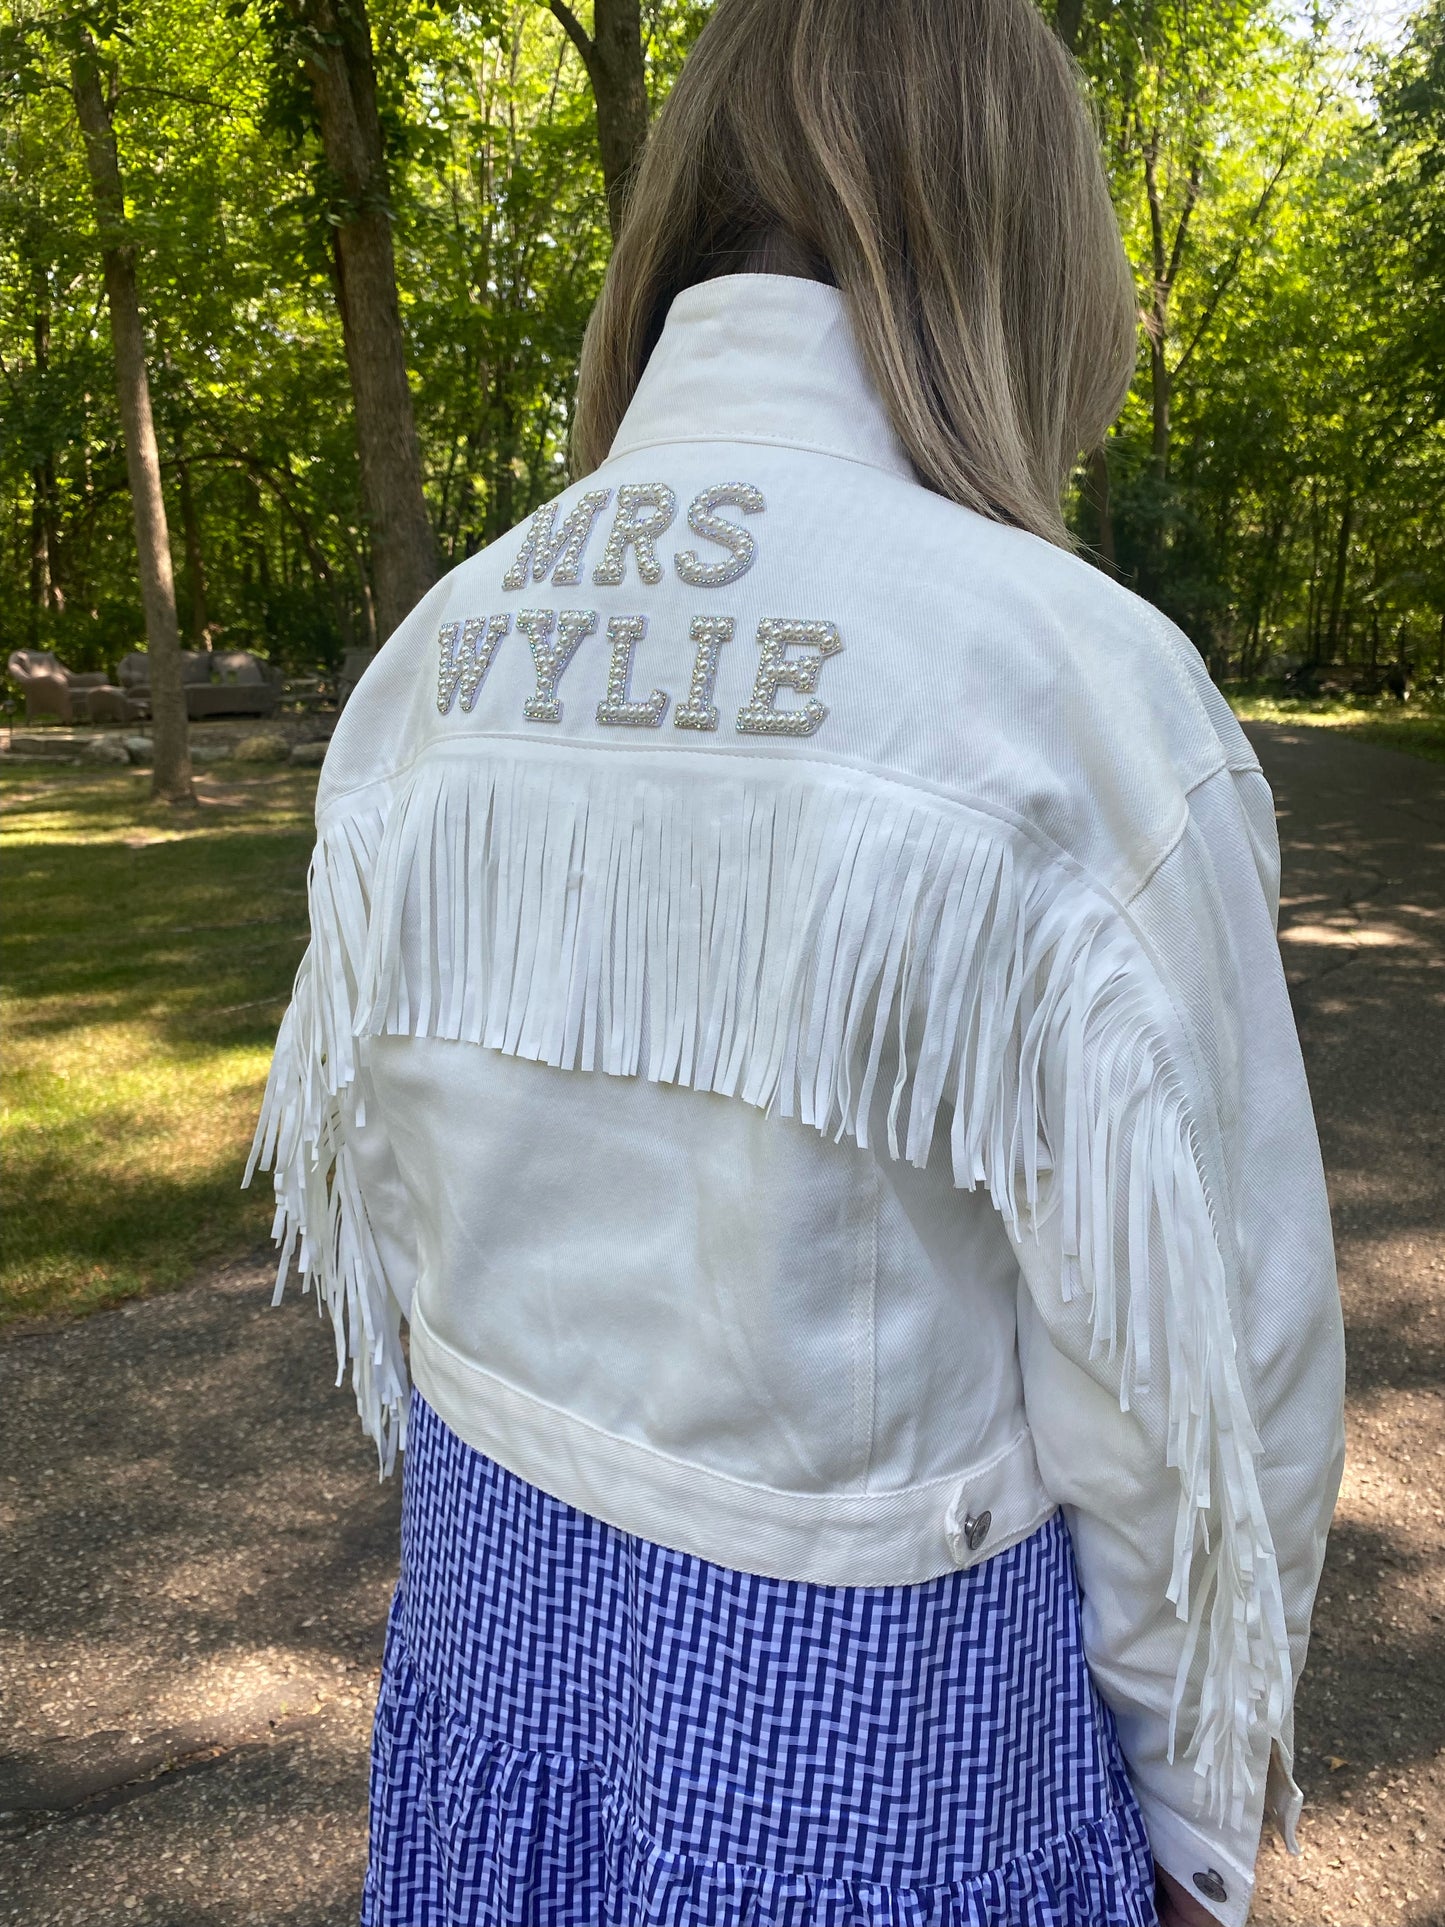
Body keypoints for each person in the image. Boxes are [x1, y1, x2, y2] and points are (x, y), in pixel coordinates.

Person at [247, 2, 1347, 1922]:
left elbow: (404, 1214)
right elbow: (1198, 1383)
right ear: (1020, 241)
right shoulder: (1067, 693)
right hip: (879, 1772)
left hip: (492, 1662)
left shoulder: (439, 656)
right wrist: (1192, 1811)